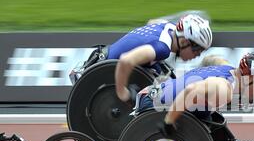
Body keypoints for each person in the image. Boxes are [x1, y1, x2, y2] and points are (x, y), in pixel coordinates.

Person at [69, 14, 213, 103]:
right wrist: (122, 93)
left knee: (165, 77)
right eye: (197, 50)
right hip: (104, 74)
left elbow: (152, 21)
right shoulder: (162, 49)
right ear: (183, 42)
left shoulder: (168, 26)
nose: (198, 55)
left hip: (101, 56)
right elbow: (126, 60)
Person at [133, 52, 254, 134]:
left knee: (209, 119)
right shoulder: (224, 88)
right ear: (251, 78)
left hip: (152, 94)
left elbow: (211, 58)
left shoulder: (227, 68)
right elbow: (190, 91)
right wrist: (169, 122)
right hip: (151, 106)